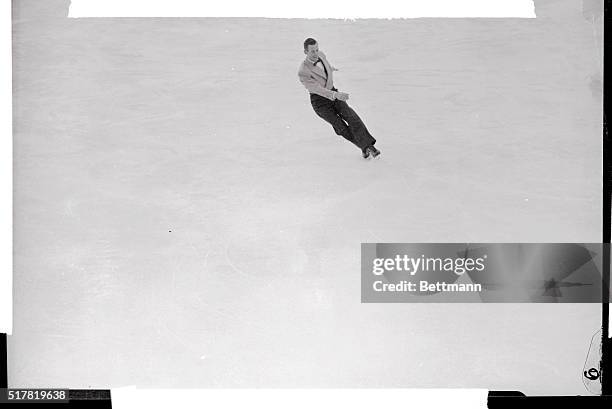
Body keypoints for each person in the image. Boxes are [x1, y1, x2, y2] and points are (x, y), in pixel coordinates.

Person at [298, 38, 380, 159]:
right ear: (305, 52)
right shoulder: (303, 71)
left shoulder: (321, 55)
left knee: (351, 116)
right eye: (312, 51)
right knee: (341, 127)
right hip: (320, 102)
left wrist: (330, 69)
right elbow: (317, 89)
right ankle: (364, 146)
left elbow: (324, 67)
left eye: (317, 49)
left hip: (333, 92)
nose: (316, 53)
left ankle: (369, 146)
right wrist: (336, 95)